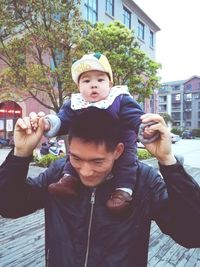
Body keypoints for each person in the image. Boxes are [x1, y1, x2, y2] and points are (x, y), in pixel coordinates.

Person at [0, 109, 200, 267]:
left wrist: (168, 161)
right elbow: (10, 206)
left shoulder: (143, 181)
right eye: (76, 158)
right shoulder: (59, 174)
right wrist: (20, 154)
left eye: (97, 161)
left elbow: (191, 233)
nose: (85, 171)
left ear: (118, 150)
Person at [30, 52, 158, 213]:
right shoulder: (75, 103)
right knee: (73, 157)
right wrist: (48, 123)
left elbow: (135, 116)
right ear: (78, 86)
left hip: (120, 144)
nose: (93, 84)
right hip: (84, 146)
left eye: (100, 79)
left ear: (109, 83)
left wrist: (145, 127)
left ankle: (123, 191)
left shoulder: (119, 99)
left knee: (127, 163)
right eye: (86, 80)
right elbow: (63, 119)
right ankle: (68, 179)